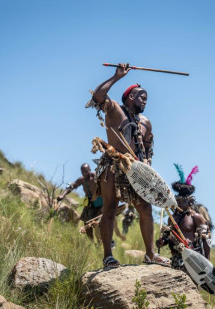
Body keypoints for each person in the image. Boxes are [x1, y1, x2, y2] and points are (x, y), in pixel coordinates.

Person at [86, 63, 168, 268]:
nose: (145, 99)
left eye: (147, 97)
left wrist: (147, 164)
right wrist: (117, 77)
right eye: (142, 96)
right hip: (113, 166)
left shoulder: (146, 122)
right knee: (110, 209)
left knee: (146, 208)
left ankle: (150, 254)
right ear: (130, 97)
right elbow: (97, 96)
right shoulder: (115, 111)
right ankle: (108, 257)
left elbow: (148, 146)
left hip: (136, 170)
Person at [156, 165, 213, 270]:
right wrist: (162, 242)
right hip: (177, 257)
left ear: (190, 202)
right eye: (178, 201)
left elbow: (206, 240)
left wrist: (207, 261)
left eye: (184, 202)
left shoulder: (196, 217)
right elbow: (169, 237)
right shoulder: (172, 218)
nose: (180, 204)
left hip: (194, 256)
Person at [57, 163, 102, 242]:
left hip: (100, 202)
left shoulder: (96, 176)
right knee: (86, 223)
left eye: (85, 171)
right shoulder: (81, 180)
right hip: (88, 202)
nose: (84, 173)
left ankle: (104, 241)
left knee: (98, 223)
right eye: (82, 171)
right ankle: (92, 243)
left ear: (89, 169)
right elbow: (71, 186)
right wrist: (62, 195)